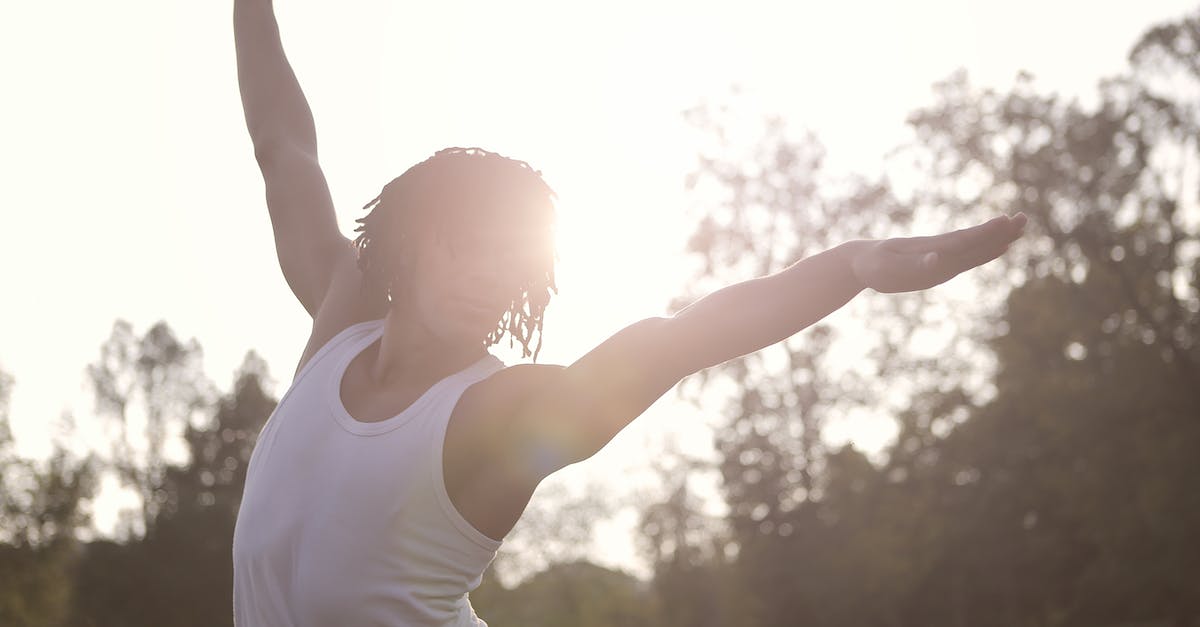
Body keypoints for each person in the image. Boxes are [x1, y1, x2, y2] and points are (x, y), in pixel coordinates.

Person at [230, 1, 1028, 625]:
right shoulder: (339, 326)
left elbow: (679, 340)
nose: (487, 281)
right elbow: (283, 149)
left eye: (509, 266)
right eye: (466, 249)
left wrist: (851, 266)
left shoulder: (493, 414)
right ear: (404, 245)